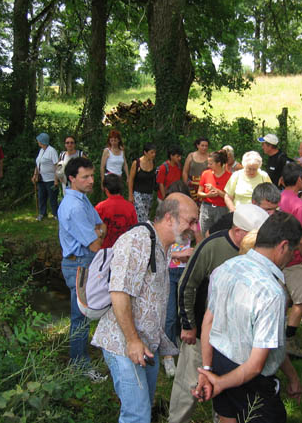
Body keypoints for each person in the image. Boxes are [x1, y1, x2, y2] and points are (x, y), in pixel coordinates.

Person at [91, 193, 199, 423]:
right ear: (170, 218)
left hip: (147, 344)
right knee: (137, 415)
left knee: (143, 409)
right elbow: (119, 293)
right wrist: (132, 341)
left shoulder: (163, 245)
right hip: (124, 344)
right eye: (191, 221)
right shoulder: (137, 240)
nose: (195, 227)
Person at [193, 212, 302, 423]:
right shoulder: (272, 293)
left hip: (219, 362)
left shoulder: (224, 268)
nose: (291, 258)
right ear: (283, 246)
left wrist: (208, 371)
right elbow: (255, 365)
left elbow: (208, 321)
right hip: (251, 380)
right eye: (293, 251)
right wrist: (219, 382)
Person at [168, 204, 270, 423]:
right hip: (201, 332)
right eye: (255, 235)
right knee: (189, 385)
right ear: (240, 231)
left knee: (225, 389)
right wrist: (188, 324)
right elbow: (186, 284)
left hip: (233, 340)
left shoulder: (255, 252)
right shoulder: (212, 246)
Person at [58, 157, 108, 379]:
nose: (91, 181)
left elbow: (101, 226)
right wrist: (97, 233)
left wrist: (97, 231)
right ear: (71, 178)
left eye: (92, 176)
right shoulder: (74, 207)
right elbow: (97, 242)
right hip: (78, 264)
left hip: (85, 261)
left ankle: (81, 361)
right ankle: (79, 366)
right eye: (85, 177)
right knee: (80, 317)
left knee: (85, 316)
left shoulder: (83, 199)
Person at [163, 181, 198, 379]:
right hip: (169, 271)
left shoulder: (192, 220)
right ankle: (167, 356)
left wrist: (191, 251)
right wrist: (176, 256)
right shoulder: (165, 220)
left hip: (186, 273)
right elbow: (161, 248)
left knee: (182, 312)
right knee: (168, 315)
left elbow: (199, 242)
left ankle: (179, 347)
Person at [279, 162, 302, 358]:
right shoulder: (299, 206)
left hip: (279, 257)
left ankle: (278, 333)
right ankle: (289, 340)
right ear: (299, 180)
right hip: (295, 258)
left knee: (284, 297)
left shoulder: (280, 198)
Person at [208, 182, 280, 235]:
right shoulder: (234, 218)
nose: (272, 213)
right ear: (254, 203)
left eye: (275, 209)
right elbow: (208, 234)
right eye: (267, 209)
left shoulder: (281, 221)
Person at [94, 174, 137, 249]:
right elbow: (135, 229)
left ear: (106, 190)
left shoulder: (100, 207)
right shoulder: (130, 207)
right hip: (124, 249)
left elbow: (94, 229)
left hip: (105, 251)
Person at [197, 149, 232, 236]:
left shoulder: (229, 176)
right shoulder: (205, 174)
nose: (208, 166)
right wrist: (208, 195)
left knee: (219, 235)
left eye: (210, 163)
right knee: (204, 233)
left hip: (222, 209)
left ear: (219, 163)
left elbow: (230, 197)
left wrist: (217, 191)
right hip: (206, 207)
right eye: (208, 163)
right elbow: (199, 193)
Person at [31, 133, 59, 222]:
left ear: (42, 141)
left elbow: (56, 166)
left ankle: (56, 214)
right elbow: (38, 164)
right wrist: (35, 175)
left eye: (39, 140)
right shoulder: (41, 150)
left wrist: (56, 179)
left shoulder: (52, 151)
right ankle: (42, 213)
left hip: (51, 179)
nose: (37, 141)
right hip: (41, 179)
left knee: (52, 198)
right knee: (41, 196)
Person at [128, 142, 157, 222]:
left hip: (149, 194)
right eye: (151, 152)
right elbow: (131, 179)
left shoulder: (153, 163)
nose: (154, 154)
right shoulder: (136, 163)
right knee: (141, 215)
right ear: (145, 152)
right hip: (138, 193)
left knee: (146, 215)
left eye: (154, 152)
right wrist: (130, 195)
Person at [182, 137, 210, 204]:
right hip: (191, 185)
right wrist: (186, 185)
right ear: (197, 146)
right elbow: (185, 172)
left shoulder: (210, 157)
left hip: (204, 185)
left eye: (206, 146)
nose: (204, 148)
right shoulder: (191, 156)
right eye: (202, 145)